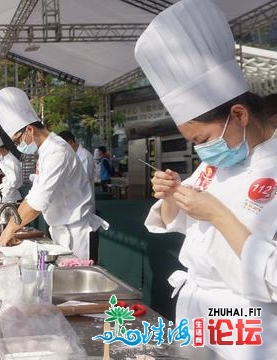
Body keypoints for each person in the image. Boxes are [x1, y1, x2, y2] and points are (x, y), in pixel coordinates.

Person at [135, 0, 277, 358]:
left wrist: (217, 214)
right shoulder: (216, 167)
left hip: (249, 321)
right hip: (197, 306)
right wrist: (170, 196)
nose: (202, 152)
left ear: (239, 114)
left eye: (203, 140)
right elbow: (179, 224)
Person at [0, 87, 108, 259]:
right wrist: (13, 226)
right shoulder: (47, 151)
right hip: (63, 230)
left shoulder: (57, 151)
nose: (18, 146)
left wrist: (10, 229)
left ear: (29, 130)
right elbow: (32, 196)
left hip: (76, 234)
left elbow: (38, 201)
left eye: (17, 140)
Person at [59, 130, 96, 212]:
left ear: (71, 142)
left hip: (83, 206)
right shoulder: (71, 156)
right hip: (72, 205)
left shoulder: (85, 157)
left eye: (63, 147)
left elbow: (81, 182)